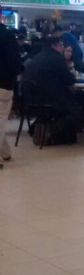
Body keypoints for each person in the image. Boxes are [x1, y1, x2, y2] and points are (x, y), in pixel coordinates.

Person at [22, 36, 84, 141]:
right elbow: (69, 80)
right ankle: (51, 131)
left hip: (31, 99)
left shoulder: (36, 58)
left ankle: (37, 127)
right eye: (61, 45)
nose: (62, 48)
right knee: (75, 109)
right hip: (51, 99)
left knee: (79, 95)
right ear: (54, 46)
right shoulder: (57, 59)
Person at [0, 15, 23, 165]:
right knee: (0, 120)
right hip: (3, 83)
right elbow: (14, 61)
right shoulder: (7, 35)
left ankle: (5, 152)